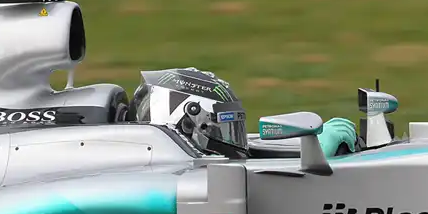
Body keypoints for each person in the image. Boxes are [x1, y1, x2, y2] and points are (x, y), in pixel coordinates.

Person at [127, 67, 359, 158]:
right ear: (188, 124)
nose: (231, 137)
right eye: (221, 126)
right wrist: (317, 153)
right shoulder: (175, 181)